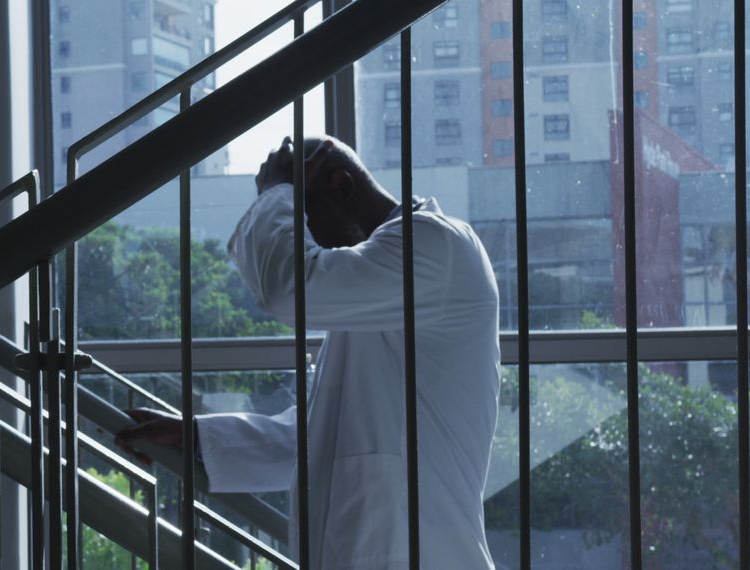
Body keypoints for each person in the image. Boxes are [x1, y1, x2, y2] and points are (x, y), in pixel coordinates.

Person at [116, 136, 500, 569]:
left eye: (304, 216)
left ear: (341, 185)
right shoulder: (382, 281)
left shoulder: (438, 246)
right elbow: (324, 439)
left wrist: (277, 193)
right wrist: (198, 437)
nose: (306, 239)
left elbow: (289, 290)